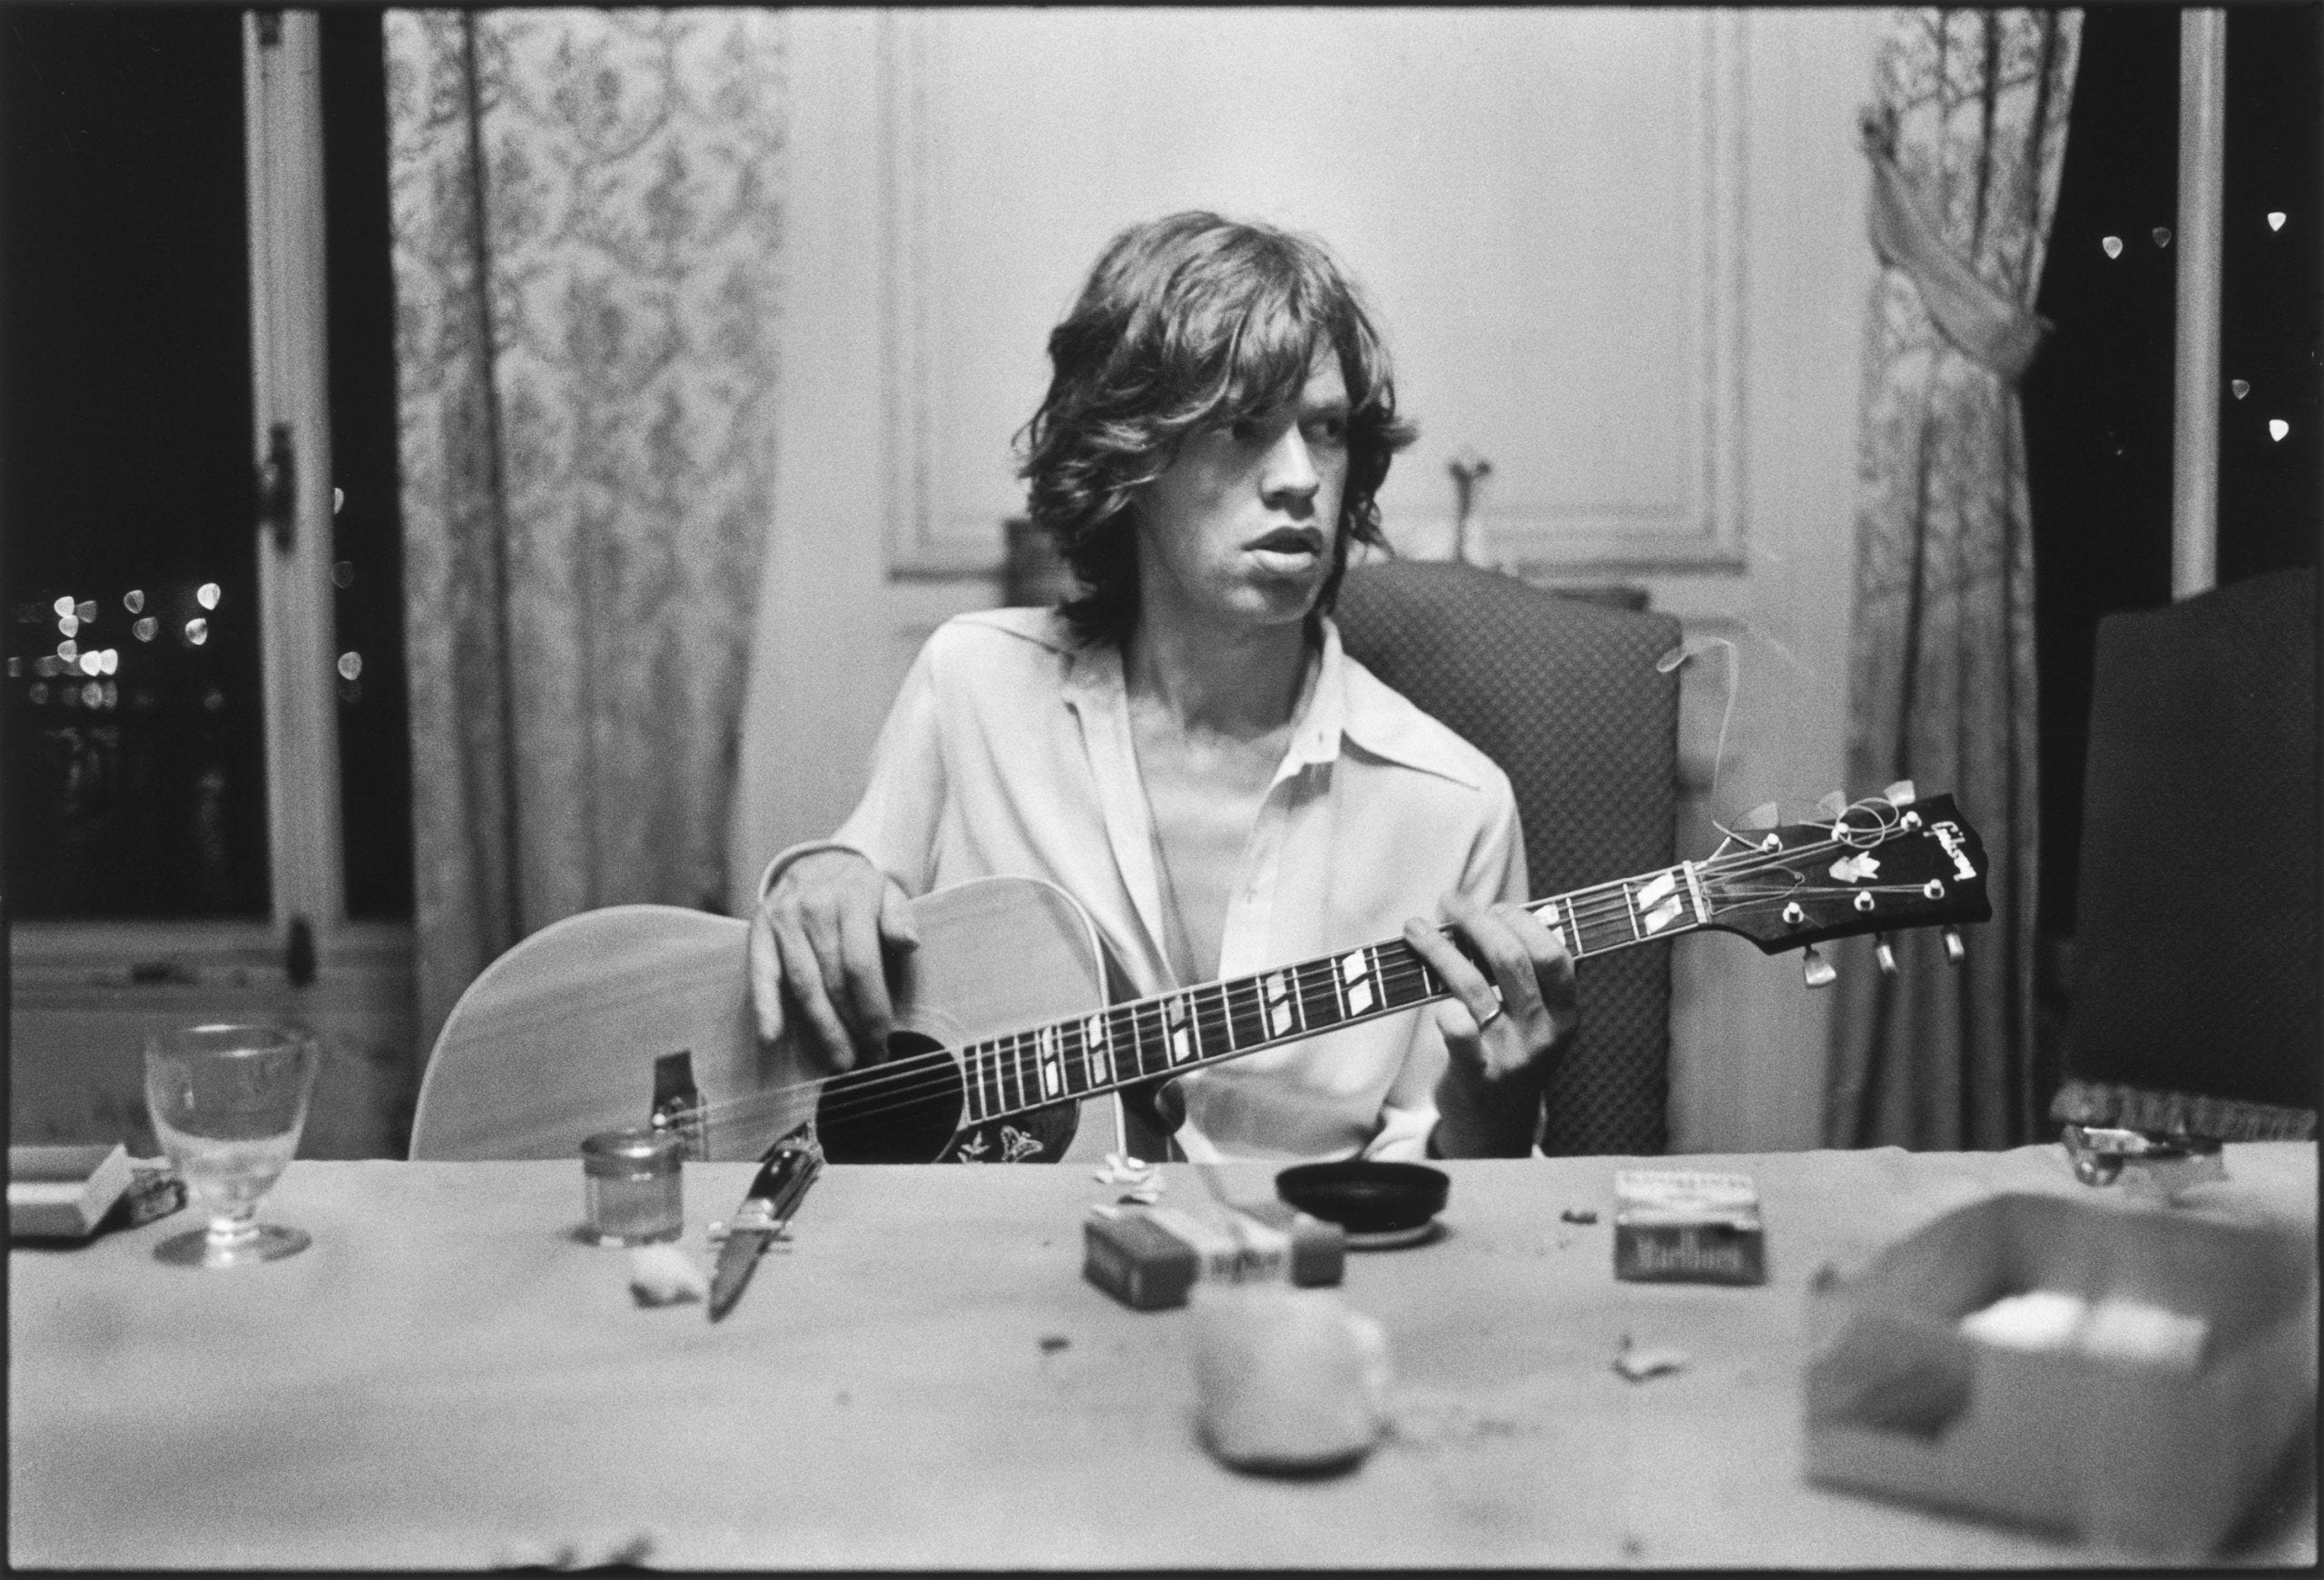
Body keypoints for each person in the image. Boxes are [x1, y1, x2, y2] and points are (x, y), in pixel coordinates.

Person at [747, 211, 1576, 1162]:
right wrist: (822, 879)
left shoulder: (1454, 806)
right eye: (1241, 427)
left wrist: (1496, 1112)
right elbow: (845, 930)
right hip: (1007, 1247)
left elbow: (1454, 1186)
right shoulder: (972, 684)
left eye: (1326, 430)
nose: (1301, 479)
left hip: (1303, 1255)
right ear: (1129, 454)